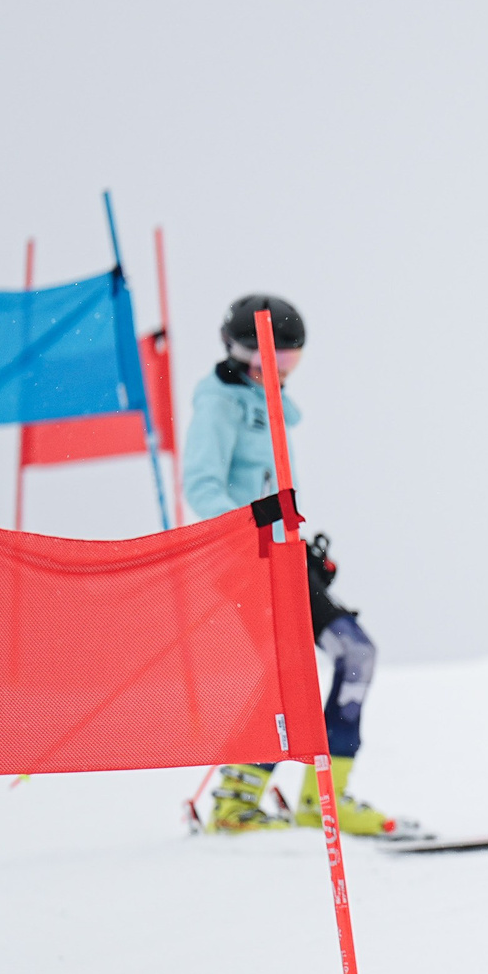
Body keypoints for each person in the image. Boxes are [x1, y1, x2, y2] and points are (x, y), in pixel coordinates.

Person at [185, 295, 413, 838]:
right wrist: (253, 527)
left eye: (290, 361)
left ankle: (323, 796)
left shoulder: (268, 404)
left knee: (355, 653)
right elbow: (202, 486)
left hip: (283, 555)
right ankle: (235, 801)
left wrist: (299, 544)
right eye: (269, 359)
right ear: (237, 352)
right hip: (244, 558)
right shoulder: (220, 404)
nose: (279, 371)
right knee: (285, 673)